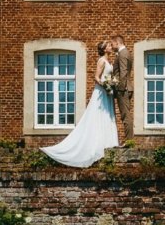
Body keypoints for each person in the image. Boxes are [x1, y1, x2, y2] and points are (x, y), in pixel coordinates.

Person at [41, 39, 120, 167]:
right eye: (109, 45)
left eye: (111, 45)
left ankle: (107, 145)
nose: (111, 46)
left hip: (107, 94)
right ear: (104, 49)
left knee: (106, 118)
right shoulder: (101, 61)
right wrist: (106, 86)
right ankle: (97, 148)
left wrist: (112, 83)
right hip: (101, 93)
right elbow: (96, 77)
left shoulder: (108, 61)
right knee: (98, 118)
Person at [110, 33, 133, 138]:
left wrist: (119, 89)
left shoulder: (123, 54)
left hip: (123, 89)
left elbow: (123, 73)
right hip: (125, 87)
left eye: (112, 44)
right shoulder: (124, 53)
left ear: (117, 42)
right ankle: (129, 141)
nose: (111, 46)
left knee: (125, 116)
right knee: (125, 115)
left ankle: (129, 142)